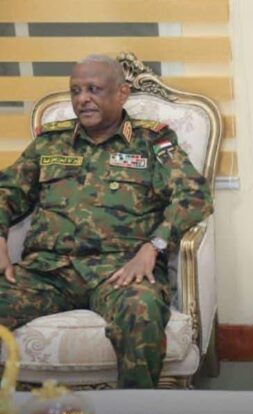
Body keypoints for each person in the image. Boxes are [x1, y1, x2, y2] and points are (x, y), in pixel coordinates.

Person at [0, 54, 213, 388]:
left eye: (93, 89)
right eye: (75, 91)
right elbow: (7, 192)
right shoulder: (49, 142)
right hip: (48, 270)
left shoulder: (151, 141)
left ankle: (134, 413)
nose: (82, 99)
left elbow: (194, 196)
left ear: (121, 94)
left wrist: (154, 245)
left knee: (142, 313)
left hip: (121, 270)